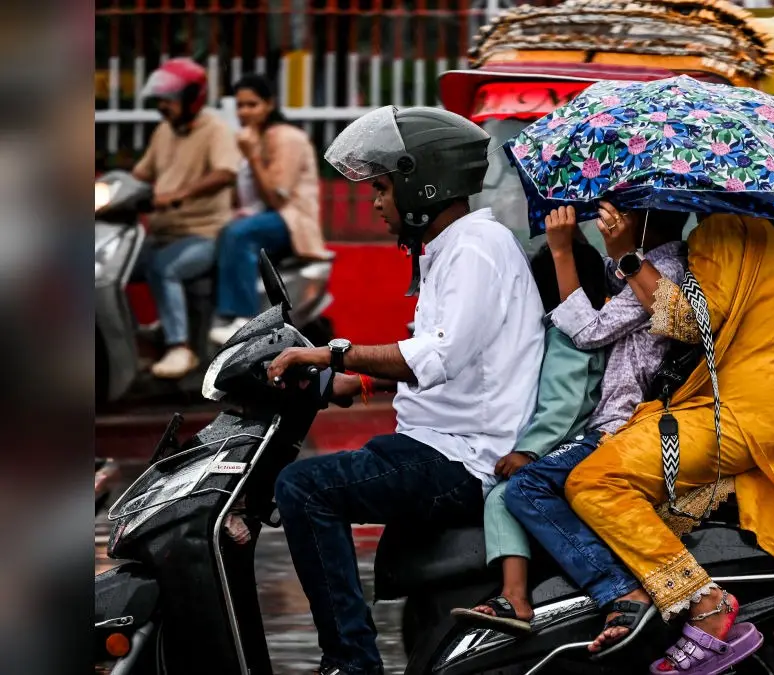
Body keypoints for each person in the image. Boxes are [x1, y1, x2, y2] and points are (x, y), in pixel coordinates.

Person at [263, 106, 545, 675]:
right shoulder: (451, 248)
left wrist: (332, 352)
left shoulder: (474, 249)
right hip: (436, 441)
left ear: (425, 182)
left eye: (384, 188)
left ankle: (351, 661)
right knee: (302, 487)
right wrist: (355, 380)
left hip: (463, 458)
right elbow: (448, 354)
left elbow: (434, 357)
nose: (375, 202)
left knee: (303, 488)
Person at [565, 209, 774, 674]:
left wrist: (625, 256)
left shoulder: (724, 229)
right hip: (759, 419)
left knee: (592, 481)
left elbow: (690, 322)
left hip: (736, 420)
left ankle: (703, 599)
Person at [501, 202, 690, 644]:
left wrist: (562, 250)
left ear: (642, 215)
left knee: (525, 487)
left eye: (615, 206)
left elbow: (586, 330)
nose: (606, 212)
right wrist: (578, 242)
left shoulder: (664, 269)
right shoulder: (648, 262)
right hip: (609, 419)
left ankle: (621, 588)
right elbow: (601, 284)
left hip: (619, 425)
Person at [449, 238, 609, 633]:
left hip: (573, 444)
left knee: (505, 496)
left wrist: (529, 452)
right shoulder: (571, 328)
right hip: (575, 441)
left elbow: (564, 404)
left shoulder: (567, 333)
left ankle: (515, 596)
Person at [131, 57, 238, 378]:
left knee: (165, 268)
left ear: (193, 98)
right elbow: (140, 174)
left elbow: (225, 172)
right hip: (161, 234)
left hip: (203, 235)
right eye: (160, 99)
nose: (162, 106)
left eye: (169, 99)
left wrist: (179, 195)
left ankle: (181, 348)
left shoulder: (216, 130)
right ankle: (129, 341)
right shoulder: (164, 131)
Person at [208, 74, 330, 345]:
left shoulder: (287, 137)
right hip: (260, 218)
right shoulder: (250, 137)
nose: (244, 112)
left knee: (238, 234)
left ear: (269, 105)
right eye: (240, 106)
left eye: (252, 105)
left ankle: (244, 317)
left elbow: (277, 197)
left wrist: (251, 155)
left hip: (289, 220)